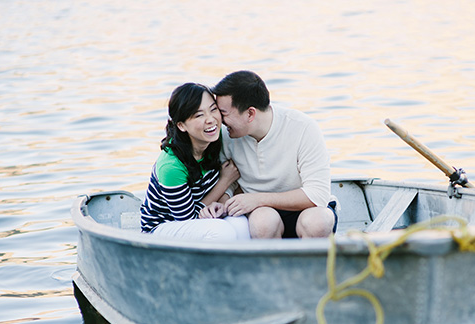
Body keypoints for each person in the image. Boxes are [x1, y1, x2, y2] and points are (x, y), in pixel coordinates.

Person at [212, 71, 337, 239]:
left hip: (307, 211)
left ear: (250, 114)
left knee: (317, 222)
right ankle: (272, 265)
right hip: (263, 217)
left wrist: (257, 199)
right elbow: (230, 184)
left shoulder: (303, 127)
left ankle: (316, 264)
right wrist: (222, 205)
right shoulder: (226, 135)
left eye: (224, 113)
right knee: (263, 221)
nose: (218, 120)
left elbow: (317, 195)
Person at [140, 83, 250, 241]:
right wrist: (224, 181)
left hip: (202, 215)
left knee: (240, 223)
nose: (211, 120)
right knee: (222, 231)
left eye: (213, 109)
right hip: (163, 226)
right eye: (199, 115)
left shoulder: (215, 140)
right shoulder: (171, 166)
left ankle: (238, 266)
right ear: (181, 125)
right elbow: (187, 218)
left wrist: (218, 205)